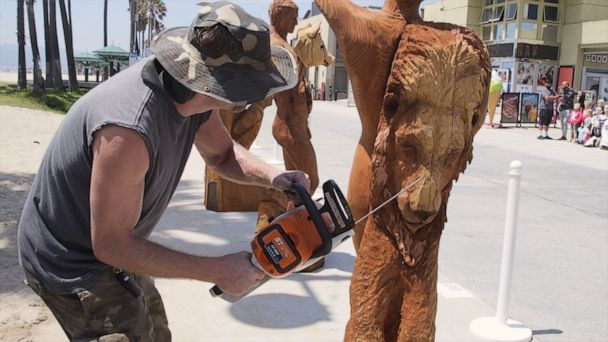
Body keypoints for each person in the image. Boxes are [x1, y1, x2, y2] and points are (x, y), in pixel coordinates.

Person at [17, 2, 306, 340]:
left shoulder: (195, 97)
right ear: (226, 85)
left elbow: (224, 155)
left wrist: (275, 177)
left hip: (119, 243)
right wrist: (216, 269)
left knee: (156, 332)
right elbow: (110, 245)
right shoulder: (127, 132)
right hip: (72, 262)